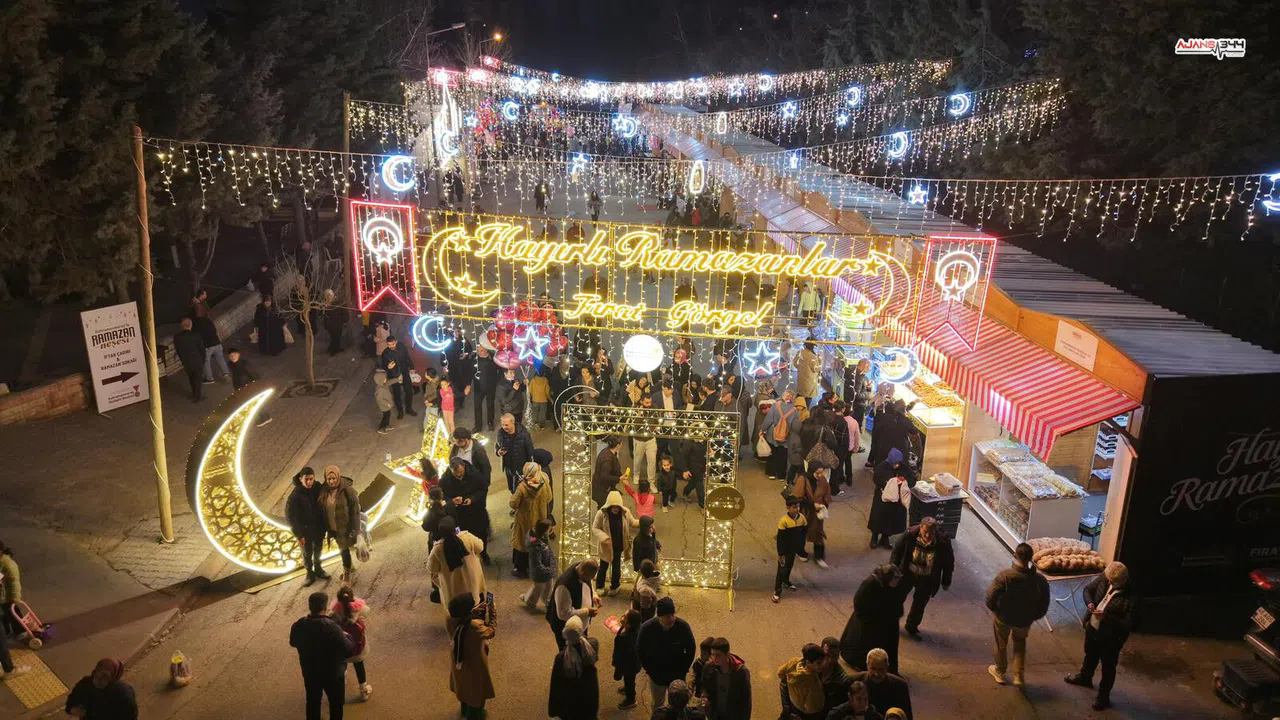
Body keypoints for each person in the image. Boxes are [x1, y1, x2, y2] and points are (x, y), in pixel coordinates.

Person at [1064, 561, 1138, 710]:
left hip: (1111, 637)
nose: (1108, 581)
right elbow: (1087, 590)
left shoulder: (1132, 597)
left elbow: (1129, 624)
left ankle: (1104, 696)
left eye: (1112, 581)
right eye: (1108, 578)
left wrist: (1107, 617)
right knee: (1090, 654)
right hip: (1093, 627)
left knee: (1108, 666)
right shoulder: (1105, 577)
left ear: (1121, 581)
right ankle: (1085, 677)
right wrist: (1090, 603)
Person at [985, 542, 1051, 687]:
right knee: (1020, 645)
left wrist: (996, 610)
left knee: (1001, 644)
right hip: (1024, 620)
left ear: (1015, 555)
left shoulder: (1005, 576)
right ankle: (1018, 676)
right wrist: (1035, 616)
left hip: (1004, 618)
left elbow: (990, 596)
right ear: (1031, 558)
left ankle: (999, 671)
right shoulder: (1039, 580)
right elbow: (1044, 602)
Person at [290, 592, 355, 720]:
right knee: (336, 704)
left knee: (313, 702)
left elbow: (293, 642)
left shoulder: (299, 625)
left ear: (310, 607)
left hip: (310, 672)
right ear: (325, 609)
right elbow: (349, 649)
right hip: (333, 674)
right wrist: (347, 636)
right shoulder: (332, 628)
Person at [890, 517, 954, 639]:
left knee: (919, 605)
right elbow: (897, 551)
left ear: (936, 531)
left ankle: (911, 626)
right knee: (897, 599)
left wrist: (946, 580)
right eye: (925, 532)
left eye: (931, 533)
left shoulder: (943, 543)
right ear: (920, 527)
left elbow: (948, 562)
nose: (928, 535)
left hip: (927, 578)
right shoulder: (909, 535)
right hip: (907, 574)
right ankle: (891, 624)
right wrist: (893, 571)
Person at [840, 565, 905, 675]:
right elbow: (859, 602)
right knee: (865, 645)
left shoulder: (894, 585)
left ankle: (889, 668)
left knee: (889, 645)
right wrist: (867, 620)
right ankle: (860, 664)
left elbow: (898, 600)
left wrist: (896, 614)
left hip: (887, 621)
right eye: (894, 579)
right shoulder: (870, 583)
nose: (896, 582)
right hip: (869, 622)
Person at [637, 597, 696, 711]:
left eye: (672, 618)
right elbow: (640, 649)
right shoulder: (647, 628)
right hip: (657, 676)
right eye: (666, 621)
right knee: (658, 704)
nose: (670, 622)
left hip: (677, 675)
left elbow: (691, 649)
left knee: (679, 704)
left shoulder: (683, 627)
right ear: (659, 617)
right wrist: (649, 669)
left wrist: (683, 669)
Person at [447, 592, 496, 719]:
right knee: (476, 691)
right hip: (474, 665)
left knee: (463, 686)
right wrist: (492, 611)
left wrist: (472, 612)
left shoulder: (450, 620)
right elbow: (491, 631)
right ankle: (475, 715)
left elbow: (461, 619)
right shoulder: (476, 628)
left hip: (459, 662)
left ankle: (464, 710)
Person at [427, 517, 487, 606]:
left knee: (459, 612)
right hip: (473, 582)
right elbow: (480, 547)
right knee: (477, 605)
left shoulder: (438, 548)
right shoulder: (467, 537)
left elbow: (432, 568)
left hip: (453, 591)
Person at [549, 614, 600, 719]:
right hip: (589, 695)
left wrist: (554, 710)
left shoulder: (561, 658)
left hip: (571, 700)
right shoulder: (593, 645)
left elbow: (556, 683)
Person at [286, 467, 329, 585]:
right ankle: (309, 573)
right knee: (307, 553)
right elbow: (291, 517)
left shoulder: (318, 488)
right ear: (301, 479)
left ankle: (319, 569)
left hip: (319, 528)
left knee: (318, 550)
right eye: (306, 479)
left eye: (311, 479)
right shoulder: (295, 496)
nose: (309, 482)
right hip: (305, 531)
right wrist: (299, 535)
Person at [509, 461, 552, 578]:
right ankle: (538, 566)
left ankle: (521, 569)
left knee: (522, 543)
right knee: (538, 542)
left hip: (525, 520)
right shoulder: (544, 481)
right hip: (540, 518)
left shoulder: (522, 487)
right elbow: (549, 497)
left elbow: (513, 504)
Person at [546, 560, 601, 650]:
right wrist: (587, 611)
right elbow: (564, 614)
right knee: (568, 653)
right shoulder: (564, 586)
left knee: (581, 650)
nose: (590, 581)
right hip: (566, 628)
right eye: (588, 578)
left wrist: (594, 595)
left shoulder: (581, 568)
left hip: (580, 624)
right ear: (583, 574)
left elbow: (590, 583)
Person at [319, 466, 361, 584]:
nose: (332, 481)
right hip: (333, 527)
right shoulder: (324, 490)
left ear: (338, 477)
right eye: (329, 479)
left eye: (334, 478)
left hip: (345, 527)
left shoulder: (347, 490)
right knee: (343, 548)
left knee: (343, 550)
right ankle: (351, 566)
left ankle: (346, 572)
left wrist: (356, 529)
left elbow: (355, 510)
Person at [592, 490, 638, 596]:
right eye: (613, 507)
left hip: (618, 546)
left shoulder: (625, 512)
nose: (616, 509)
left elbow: (633, 522)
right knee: (603, 566)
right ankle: (600, 586)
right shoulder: (601, 514)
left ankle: (615, 586)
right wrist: (604, 537)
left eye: (617, 507)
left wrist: (644, 522)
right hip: (606, 547)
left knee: (616, 566)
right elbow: (595, 528)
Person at [330, 586, 372, 701]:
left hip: (342, 643)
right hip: (357, 643)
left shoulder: (335, 609)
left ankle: (342, 680)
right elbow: (367, 611)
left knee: (342, 662)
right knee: (359, 665)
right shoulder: (358, 607)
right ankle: (363, 691)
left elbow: (329, 618)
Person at [868, 449, 913, 549]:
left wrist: (904, 481)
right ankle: (874, 537)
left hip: (896, 501)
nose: (896, 465)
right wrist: (889, 483)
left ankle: (885, 538)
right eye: (895, 462)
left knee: (890, 521)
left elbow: (912, 479)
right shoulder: (881, 467)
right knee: (878, 518)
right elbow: (876, 479)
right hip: (882, 499)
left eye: (898, 463)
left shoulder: (904, 467)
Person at [64, 658, 137, 719]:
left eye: (105, 676)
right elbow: (71, 702)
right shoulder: (86, 683)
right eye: (98, 671)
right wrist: (73, 710)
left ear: (112, 679)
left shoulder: (124, 696)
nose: (99, 677)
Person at [848, 649, 911, 720]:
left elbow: (905, 716)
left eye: (880, 670)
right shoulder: (853, 681)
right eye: (873, 669)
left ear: (887, 667)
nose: (876, 674)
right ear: (867, 665)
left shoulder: (900, 687)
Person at [702, 637, 752, 720]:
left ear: (727, 654)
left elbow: (746, 702)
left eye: (718, 655)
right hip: (715, 716)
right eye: (712, 654)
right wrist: (705, 697)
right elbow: (704, 686)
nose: (714, 658)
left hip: (733, 716)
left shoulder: (740, 672)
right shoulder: (709, 667)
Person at [793, 466, 833, 569]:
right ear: (811, 471)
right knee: (801, 533)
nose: (820, 475)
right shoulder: (803, 479)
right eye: (817, 473)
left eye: (821, 473)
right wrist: (812, 505)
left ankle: (819, 557)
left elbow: (827, 493)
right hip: (805, 512)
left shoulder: (822, 479)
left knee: (818, 534)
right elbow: (797, 498)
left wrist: (824, 504)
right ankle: (800, 552)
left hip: (817, 514)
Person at [778, 643, 827, 719]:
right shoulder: (812, 682)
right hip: (804, 713)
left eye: (824, 660)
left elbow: (780, 673)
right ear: (808, 662)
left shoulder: (794, 662)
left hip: (792, 702)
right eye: (819, 663)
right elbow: (812, 709)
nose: (823, 665)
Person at [774, 495, 808, 603]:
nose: (797, 509)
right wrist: (781, 553)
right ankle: (777, 590)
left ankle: (786, 582)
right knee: (781, 570)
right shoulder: (783, 521)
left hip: (794, 549)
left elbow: (804, 533)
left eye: (798, 506)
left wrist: (801, 548)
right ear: (788, 508)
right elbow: (780, 539)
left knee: (789, 566)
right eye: (794, 507)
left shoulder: (802, 518)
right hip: (785, 550)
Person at [760, 390, 800, 480]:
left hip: (773, 434)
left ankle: (771, 472)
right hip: (786, 436)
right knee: (783, 455)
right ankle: (781, 475)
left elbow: (768, 420)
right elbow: (795, 424)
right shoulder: (794, 409)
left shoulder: (775, 406)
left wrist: (762, 429)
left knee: (773, 453)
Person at [226, 347, 272, 425]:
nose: (233, 357)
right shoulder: (230, 364)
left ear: (239, 354)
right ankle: (260, 417)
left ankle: (265, 417)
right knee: (246, 404)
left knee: (253, 403)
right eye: (231, 355)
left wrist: (257, 386)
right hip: (240, 388)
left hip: (249, 387)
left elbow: (254, 375)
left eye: (235, 354)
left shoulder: (245, 364)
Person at [522, 519, 557, 611]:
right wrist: (548, 570)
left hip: (546, 568)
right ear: (544, 530)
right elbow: (536, 563)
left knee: (545, 588)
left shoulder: (542, 538)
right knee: (539, 588)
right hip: (541, 571)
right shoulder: (536, 544)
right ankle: (531, 602)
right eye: (549, 528)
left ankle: (544, 602)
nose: (551, 529)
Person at [496, 413, 535, 495]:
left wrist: (529, 467)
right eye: (502, 424)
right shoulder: (500, 433)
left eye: (506, 425)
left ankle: (519, 506)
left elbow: (530, 451)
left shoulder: (524, 434)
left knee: (519, 490)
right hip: (508, 467)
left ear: (512, 423)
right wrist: (498, 452)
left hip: (520, 467)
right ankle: (515, 504)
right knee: (511, 488)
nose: (504, 427)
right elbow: (497, 445)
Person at [612, 608, 643, 709]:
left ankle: (630, 699)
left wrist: (617, 668)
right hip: (633, 663)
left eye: (624, 617)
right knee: (629, 679)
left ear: (629, 624)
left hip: (628, 665)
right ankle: (628, 689)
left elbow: (621, 655)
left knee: (629, 680)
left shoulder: (625, 638)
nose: (622, 617)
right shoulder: (636, 630)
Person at [192, 304, 229, 383]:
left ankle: (210, 378)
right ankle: (226, 373)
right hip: (217, 343)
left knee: (206, 362)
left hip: (207, 346)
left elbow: (196, 336)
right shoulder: (208, 320)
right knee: (220, 358)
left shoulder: (196, 323)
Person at [382, 335, 416, 419]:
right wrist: (387, 367)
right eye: (389, 345)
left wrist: (411, 367)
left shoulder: (401, 346)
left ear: (396, 342)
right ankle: (400, 411)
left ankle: (409, 409)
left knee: (409, 391)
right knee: (397, 393)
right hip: (393, 375)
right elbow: (382, 365)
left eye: (393, 344)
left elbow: (407, 357)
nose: (391, 346)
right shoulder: (385, 353)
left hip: (404, 372)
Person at [173, 318, 207, 401]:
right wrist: (203, 360)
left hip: (186, 361)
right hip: (197, 360)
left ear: (182, 326)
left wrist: (182, 360)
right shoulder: (196, 335)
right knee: (197, 379)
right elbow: (202, 349)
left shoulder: (177, 337)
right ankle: (197, 396)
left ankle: (194, 393)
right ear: (190, 325)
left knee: (191, 378)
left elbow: (178, 350)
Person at [818, 637, 852, 715]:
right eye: (827, 655)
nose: (830, 660)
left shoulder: (843, 681)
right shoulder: (812, 666)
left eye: (834, 656)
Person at [470, 346, 500, 433]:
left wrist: (496, 381)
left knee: (490, 405)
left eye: (482, 350)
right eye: (478, 350)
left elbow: (500, 370)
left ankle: (490, 423)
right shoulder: (474, 358)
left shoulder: (493, 359)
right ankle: (478, 426)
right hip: (478, 387)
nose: (479, 352)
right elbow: (470, 371)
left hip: (490, 387)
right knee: (477, 406)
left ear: (486, 350)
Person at [445, 329, 475, 412]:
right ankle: (456, 402)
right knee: (453, 384)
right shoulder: (448, 341)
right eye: (454, 331)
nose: (456, 333)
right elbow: (443, 353)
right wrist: (443, 364)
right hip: (452, 366)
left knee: (462, 384)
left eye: (458, 331)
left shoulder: (463, 340)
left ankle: (461, 401)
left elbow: (470, 349)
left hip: (462, 366)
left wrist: (466, 354)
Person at [592, 436, 625, 508]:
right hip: (602, 490)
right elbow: (604, 476)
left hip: (605, 487)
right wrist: (619, 478)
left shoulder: (609, 452)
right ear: (618, 445)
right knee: (604, 508)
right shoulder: (607, 459)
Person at [675, 437, 707, 508]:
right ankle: (702, 505)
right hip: (693, 467)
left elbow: (706, 450)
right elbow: (683, 457)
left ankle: (685, 492)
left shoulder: (705, 440)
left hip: (702, 466)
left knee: (694, 482)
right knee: (699, 484)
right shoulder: (688, 442)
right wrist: (685, 470)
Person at [373, 368, 395, 434]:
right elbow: (380, 399)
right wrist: (387, 404)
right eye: (384, 378)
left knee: (388, 415)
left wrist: (397, 380)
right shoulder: (379, 389)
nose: (386, 379)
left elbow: (389, 382)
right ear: (380, 380)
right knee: (385, 417)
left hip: (387, 406)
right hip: (384, 406)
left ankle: (386, 426)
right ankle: (381, 428)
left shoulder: (383, 384)